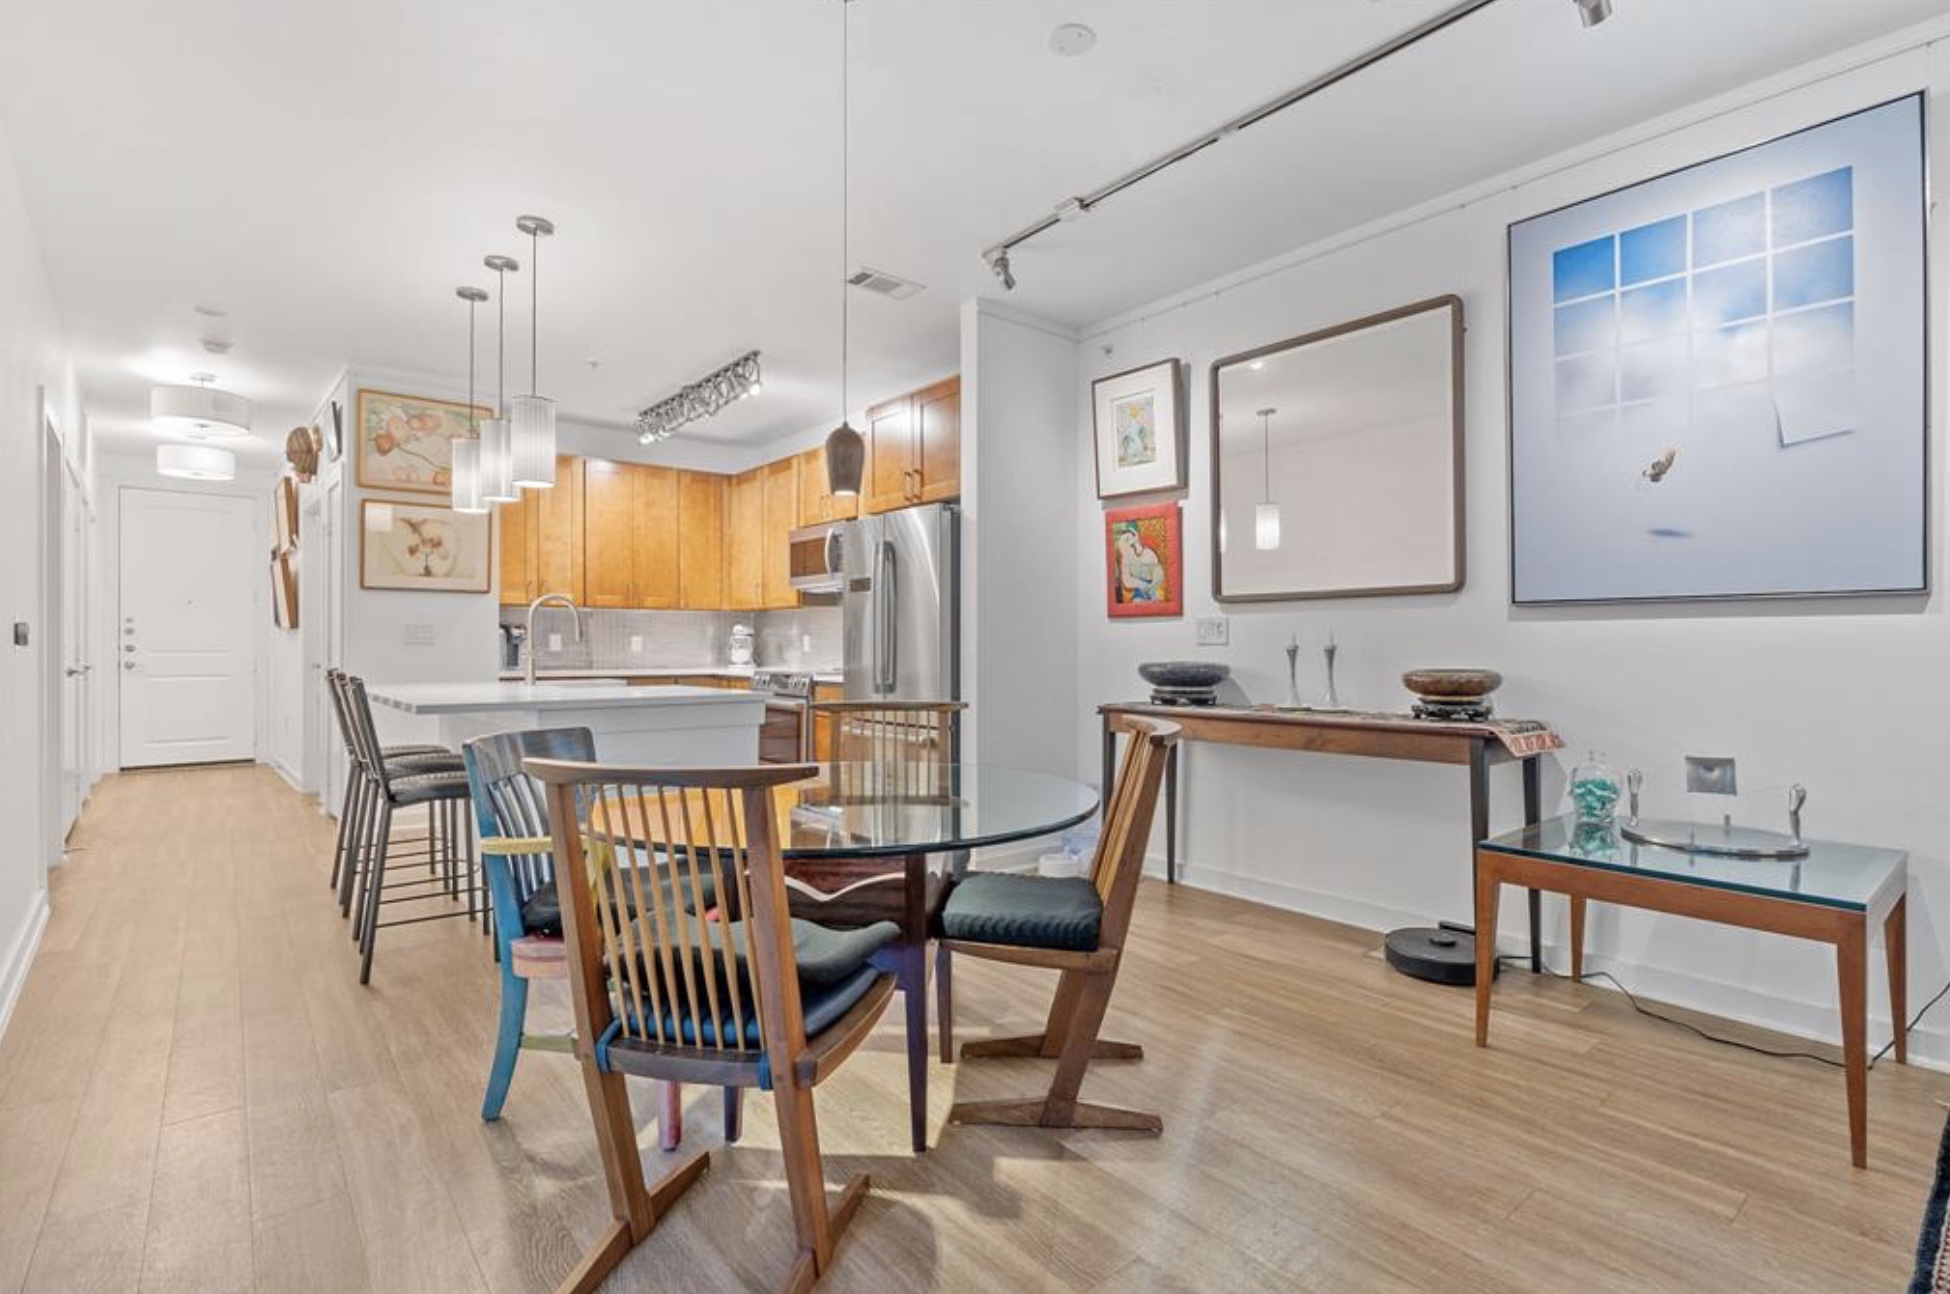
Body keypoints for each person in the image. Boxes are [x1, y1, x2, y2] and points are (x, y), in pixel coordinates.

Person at [1114, 522, 1164, 603]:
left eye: (1129, 536)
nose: (1127, 541)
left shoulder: (1148, 553)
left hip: (1151, 594)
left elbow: (1158, 575)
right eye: (1125, 538)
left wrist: (1149, 588)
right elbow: (1126, 581)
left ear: (1136, 535)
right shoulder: (1127, 556)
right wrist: (1142, 585)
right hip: (1138, 596)